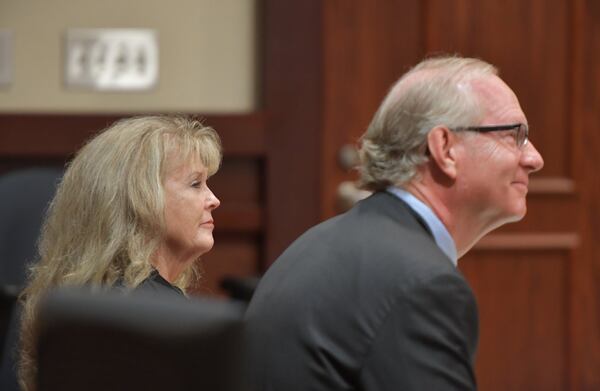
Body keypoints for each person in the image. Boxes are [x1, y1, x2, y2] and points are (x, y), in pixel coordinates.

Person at [244, 55, 544, 390]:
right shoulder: (422, 284)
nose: (535, 158)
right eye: (514, 135)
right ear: (445, 149)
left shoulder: (318, 243)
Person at [17, 115, 222, 391]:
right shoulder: (160, 318)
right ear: (140, 200)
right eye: (196, 184)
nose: (214, 200)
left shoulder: (76, 303)